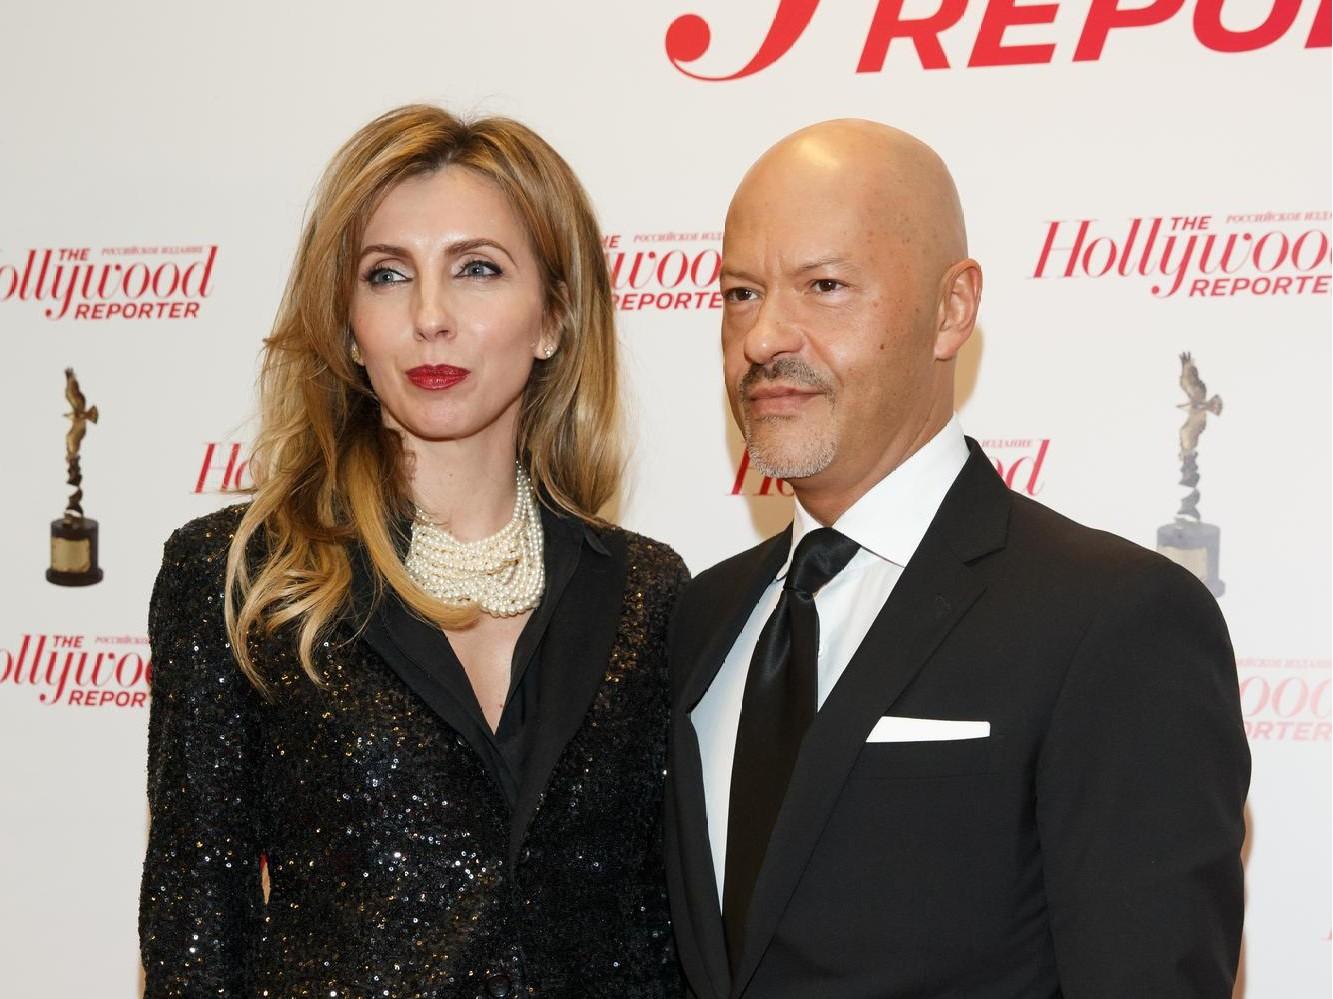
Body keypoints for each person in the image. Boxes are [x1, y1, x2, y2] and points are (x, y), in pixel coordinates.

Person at [665, 119, 1249, 998]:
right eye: (741, 292)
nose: (763, 336)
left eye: (824, 286)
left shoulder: (1114, 620)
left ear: (952, 308)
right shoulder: (698, 620)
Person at [140, 104, 687, 998]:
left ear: (553, 317)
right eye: (388, 275)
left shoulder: (644, 591)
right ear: (348, 326)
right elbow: (195, 942)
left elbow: (665, 932)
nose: (431, 316)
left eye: (477, 269)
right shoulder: (243, 574)